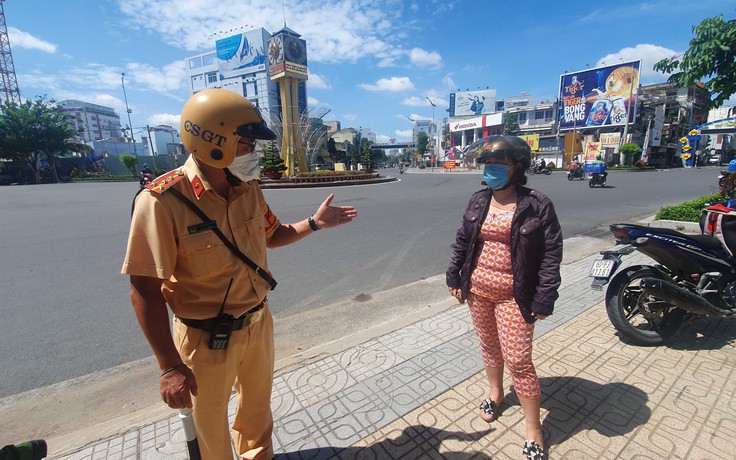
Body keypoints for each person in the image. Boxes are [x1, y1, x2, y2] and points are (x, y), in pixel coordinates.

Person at [121, 89, 358, 460]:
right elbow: (144, 291)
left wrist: (313, 223)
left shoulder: (247, 189)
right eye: (246, 143)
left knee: (257, 414)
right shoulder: (162, 201)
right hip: (204, 338)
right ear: (214, 142)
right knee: (209, 430)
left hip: (258, 323)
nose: (256, 152)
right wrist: (170, 366)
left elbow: (272, 234)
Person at [446, 135, 562, 460]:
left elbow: (552, 252)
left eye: (499, 164)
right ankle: (496, 393)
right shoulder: (478, 200)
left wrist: (544, 296)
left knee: (519, 360)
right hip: (478, 291)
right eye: (487, 164)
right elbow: (462, 241)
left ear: (518, 168)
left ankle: (534, 429)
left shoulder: (537, 204)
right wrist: (454, 275)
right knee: (489, 346)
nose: (491, 169)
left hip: (517, 295)